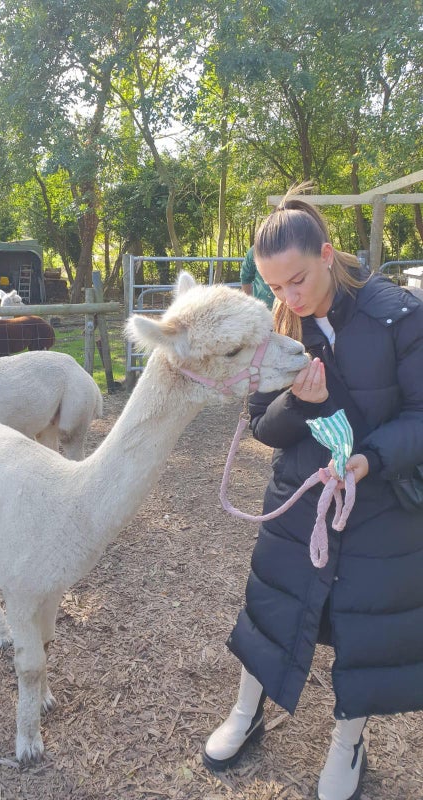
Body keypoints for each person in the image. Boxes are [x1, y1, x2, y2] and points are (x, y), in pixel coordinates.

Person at [203, 191, 423, 800]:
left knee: (367, 624)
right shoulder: (276, 322)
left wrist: (369, 459)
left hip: (380, 502)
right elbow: (261, 424)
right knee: (272, 605)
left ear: (327, 254)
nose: (289, 298)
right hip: (301, 499)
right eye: (275, 286)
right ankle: (247, 710)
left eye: (296, 280)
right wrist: (298, 403)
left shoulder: (400, 314)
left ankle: (349, 741)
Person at [240, 245, 275, 309]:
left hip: (289, 308)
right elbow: (245, 279)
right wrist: (248, 306)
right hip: (262, 307)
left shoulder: (293, 245)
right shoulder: (256, 250)